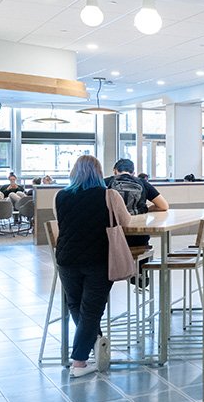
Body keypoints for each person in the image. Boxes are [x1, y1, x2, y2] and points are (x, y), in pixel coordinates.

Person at [55, 155, 123, 377]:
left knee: (76, 305)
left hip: (66, 259)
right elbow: (126, 221)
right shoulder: (109, 195)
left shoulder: (61, 196)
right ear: (98, 172)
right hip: (98, 258)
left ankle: (95, 344)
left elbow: (62, 223)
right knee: (91, 311)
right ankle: (79, 363)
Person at [106, 158, 166, 249]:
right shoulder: (142, 183)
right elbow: (163, 206)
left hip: (113, 236)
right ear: (133, 173)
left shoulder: (106, 183)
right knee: (141, 255)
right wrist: (146, 209)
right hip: (139, 237)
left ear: (114, 171)